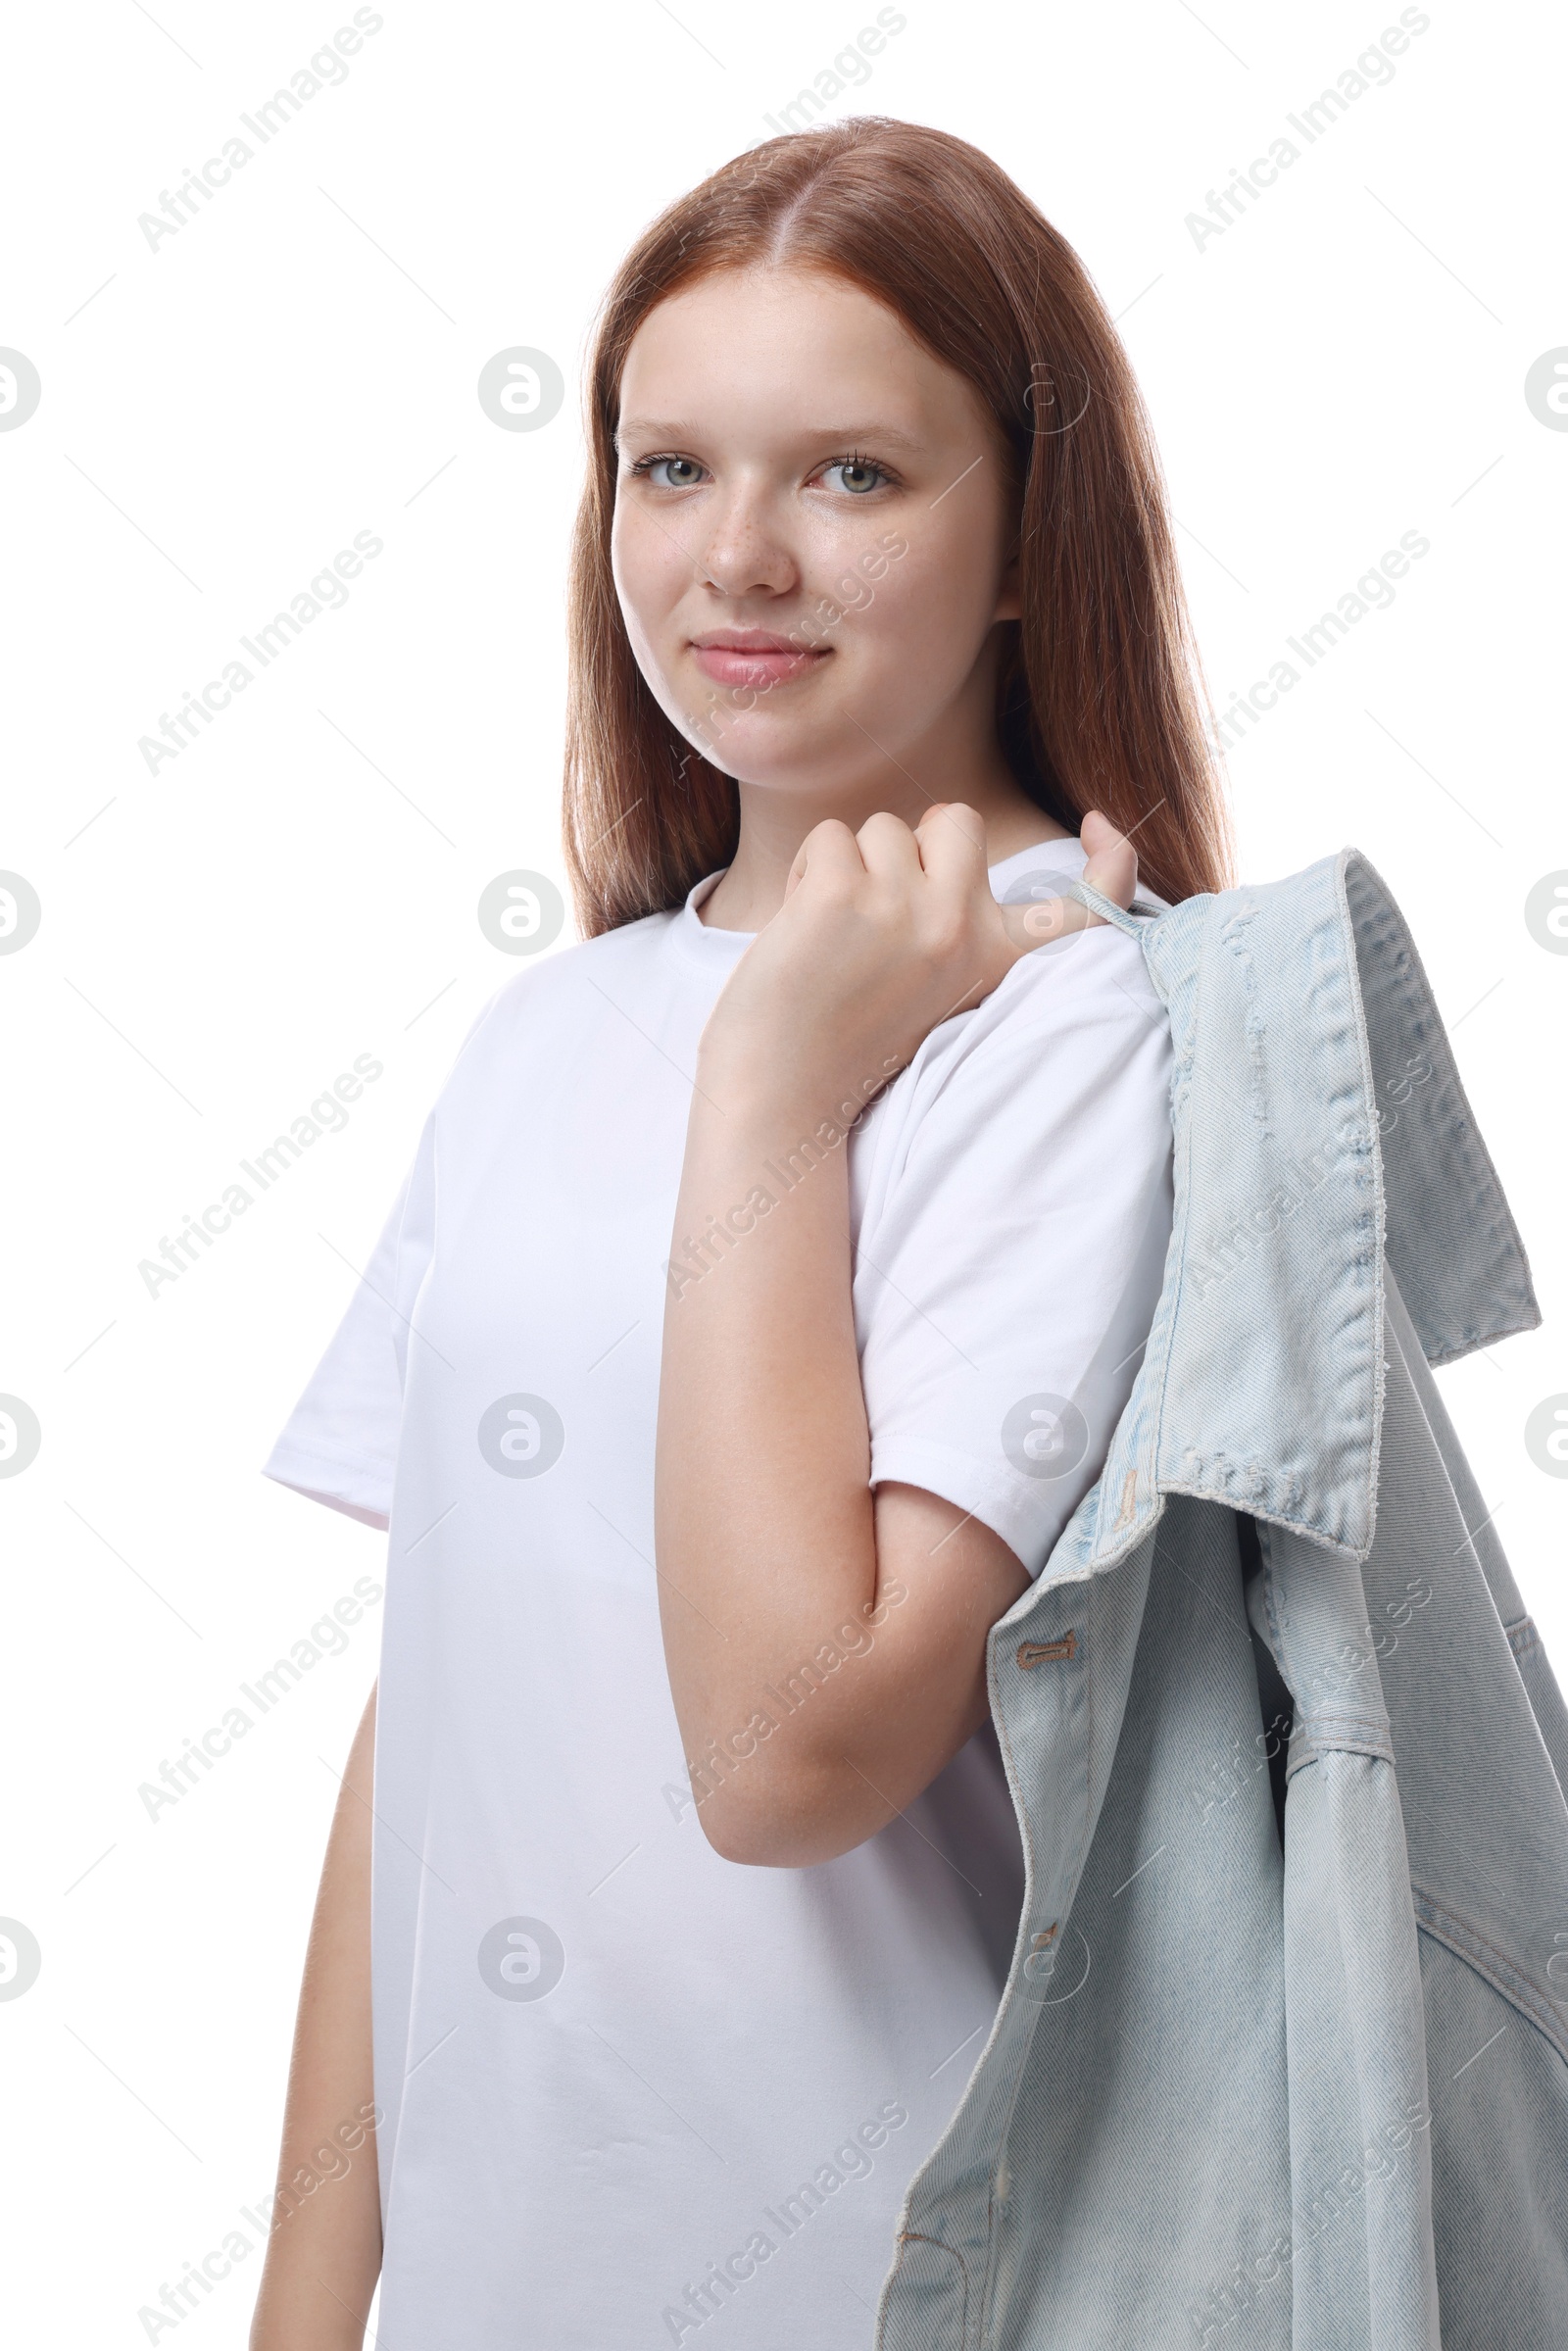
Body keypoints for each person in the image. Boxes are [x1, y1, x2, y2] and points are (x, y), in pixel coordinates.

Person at [248, 116, 1233, 2350]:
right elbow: (443, 1705)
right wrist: (310, 2312)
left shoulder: (1082, 1026)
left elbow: (796, 1756)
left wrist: (777, 1090)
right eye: (668, 468)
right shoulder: (544, 1031)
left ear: (1017, 536)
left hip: (896, 2288)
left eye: (853, 476)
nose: (737, 559)